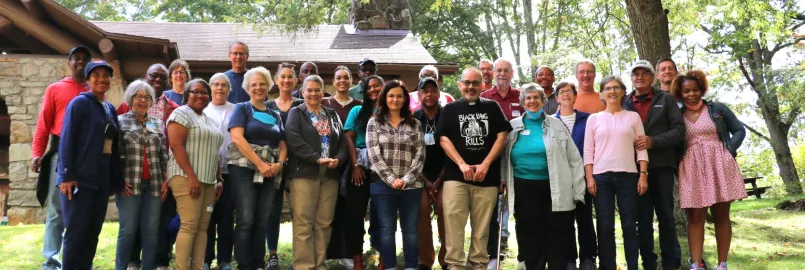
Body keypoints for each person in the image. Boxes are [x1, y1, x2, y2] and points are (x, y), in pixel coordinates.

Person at [502, 83, 585, 270]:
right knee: (529, 231)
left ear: (543, 101)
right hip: (523, 187)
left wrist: (578, 190)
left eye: (536, 98)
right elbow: (503, 159)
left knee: (557, 231)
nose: (532, 101)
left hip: (554, 186)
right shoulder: (512, 128)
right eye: (528, 98)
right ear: (522, 102)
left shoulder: (557, 125)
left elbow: (574, 159)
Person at [437, 68, 511, 270]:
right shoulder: (449, 109)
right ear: (460, 84)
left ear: (482, 85)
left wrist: (485, 165)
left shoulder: (492, 107)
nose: (471, 87)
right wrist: (462, 164)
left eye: (475, 83)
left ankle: (479, 264)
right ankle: (455, 265)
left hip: (486, 178)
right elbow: (443, 138)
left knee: (483, 226)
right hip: (456, 178)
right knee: (454, 224)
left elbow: (502, 136)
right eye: (467, 82)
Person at [670, 71, 746, 270]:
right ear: (680, 92)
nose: (691, 94)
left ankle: (722, 264)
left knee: (722, 216)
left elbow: (739, 130)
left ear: (702, 89)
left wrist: (729, 150)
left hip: (719, 165)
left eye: (695, 89)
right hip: (691, 168)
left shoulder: (717, 109)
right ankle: (696, 264)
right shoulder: (676, 113)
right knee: (695, 218)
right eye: (686, 91)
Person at [58, 60, 125, 270]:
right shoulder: (79, 104)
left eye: (106, 75)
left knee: (92, 232)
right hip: (79, 180)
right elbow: (66, 140)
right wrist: (66, 175)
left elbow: (113, 147)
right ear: (88, 80)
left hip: (101, 180)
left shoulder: (110, 109)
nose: (102, 79)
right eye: (96, 75)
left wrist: (115, 180)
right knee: (76, 232)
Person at [31, 45, 89, 270]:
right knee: (57, 211)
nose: (80, 62)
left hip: (86, 157)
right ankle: (51, 262)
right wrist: (37, 153)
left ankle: (78, 261)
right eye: (76, 58)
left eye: (85, 59)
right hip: (60, 155)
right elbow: (43, 124)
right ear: (69, 62)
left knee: (82, 211)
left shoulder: (93, 90)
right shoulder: (55, 89)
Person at [624, 60, 686, 270]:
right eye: (636, 74)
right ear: (631, 78)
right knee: (642, 220)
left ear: (652, 77)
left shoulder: (666, 99)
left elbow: (679, 130)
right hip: (633, 169)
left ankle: (670, 263)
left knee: (666, 216)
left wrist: (653, 141)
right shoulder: (624, 102)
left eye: (644, 73)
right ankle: (648, 263)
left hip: (661, 167)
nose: (640, 77)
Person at [118, 63, 181, 270]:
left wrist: (165, 179)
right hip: (129, 185)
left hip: (154, 185)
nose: (143, 100)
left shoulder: (157, 123)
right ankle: (123, 266)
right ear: (130, 99)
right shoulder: (120, 121)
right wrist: (118, 180)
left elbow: (164, 153)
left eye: (146, 97)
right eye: (138, 96)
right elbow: (115, 156)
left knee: (151, 230)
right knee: (128, 229)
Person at [584, 76, 649, 270]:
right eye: (608, 88)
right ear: (602, 93)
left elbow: (641, 148)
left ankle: (632, 266)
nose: (612, 91)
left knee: (629, 225)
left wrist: (643, 174)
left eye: (616, 88)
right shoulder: (594, 119)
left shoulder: (633, 117)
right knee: (605, 227)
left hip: (628, 176)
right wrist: (589, 177)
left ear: (623, 92)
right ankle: (607, 266)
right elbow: (588, 151)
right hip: (601, 178)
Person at [285, 75, 348, 269]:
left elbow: (344, 142)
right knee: (304, 223)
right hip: (304, 174)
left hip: (330, 176)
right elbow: (293, 138)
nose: (313, 94)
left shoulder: (331, 114)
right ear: (302, 92)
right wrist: (316, 158)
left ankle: (319, 265)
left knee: (324, 224)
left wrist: (339, 158)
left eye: (317, 90)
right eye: (309, 90)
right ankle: (304, 266)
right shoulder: (296, 113)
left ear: (323, 92)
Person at [228, 67, 287, 270]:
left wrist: (279, 164)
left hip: (271, 171)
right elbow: (237, 137)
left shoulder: (275, 113)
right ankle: (244, 265)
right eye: (254, 84)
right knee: (246, 219)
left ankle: (257, 263)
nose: (258, 87)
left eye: (262, 83)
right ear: (247, 88)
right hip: (244, 169)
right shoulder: (242, 108)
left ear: (269, 85)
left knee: (262, 220)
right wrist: (260, 164)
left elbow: (283, 143)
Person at [367, 80, 426, 270]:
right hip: (383, 186)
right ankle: (390, 267)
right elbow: (374, 155)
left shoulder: (415, 123)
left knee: (410, 230)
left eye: (399, 96)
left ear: (405, 99)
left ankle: (411, 267)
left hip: (412, 186)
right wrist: (392, 180)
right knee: (386, 230)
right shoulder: (374, 122)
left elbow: (420, 154)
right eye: (391, 95)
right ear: (385, 97)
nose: (395, 99)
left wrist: (406, 179)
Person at [165, 79, 225, 270]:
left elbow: (213, 151)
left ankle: (197, 267)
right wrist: (192, 177)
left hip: (208, 180)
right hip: (186, 178)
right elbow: (176, 145)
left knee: (202, 227)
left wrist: (219, 179)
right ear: (187, 94)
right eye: (195, 91)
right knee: (189, 225)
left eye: (204, 92)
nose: (200, 95)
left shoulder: (207, 119)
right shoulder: (181, 113)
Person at [479, 58, 520, 268]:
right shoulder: (484, 97)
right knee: (491, 205)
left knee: (518, 204)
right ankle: (492, 251)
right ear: (493, 73)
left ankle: (520, 251)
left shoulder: (521, 96)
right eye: (499, 70)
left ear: (512, 73)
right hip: (492, 158)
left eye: (506, 70)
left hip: (517, 158)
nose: (502, 74)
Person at [342, 74, 385, 269]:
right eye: (369, 87)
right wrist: (356, 164)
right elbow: (349, 138)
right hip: (360, 166)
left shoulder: (390, 111)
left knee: (383, 213)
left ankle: (383, 257)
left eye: (377, 86)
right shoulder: (358, 110)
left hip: (384, 168)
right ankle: (357, 257)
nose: (373, 90)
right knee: (355, 213)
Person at [554, 81, 597, 270]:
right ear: (556, 98)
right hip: (560, 178)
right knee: (565, 221)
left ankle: (588, 258)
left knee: (585, 219)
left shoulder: (589, 119)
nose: (565, 94)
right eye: (561, 92)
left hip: (584, 175)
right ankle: (569, 259)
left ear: (575, 95)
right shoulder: (550, 122)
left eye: (569, 91)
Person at [265, 63, 304, 270]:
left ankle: (300, 255)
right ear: (276, 80)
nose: (287, 80)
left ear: (296, 80)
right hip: (274, 164)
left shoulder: (303, 104)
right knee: (273, 210)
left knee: (299, 211)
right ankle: (272, 254)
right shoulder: (267, 106)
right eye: (283, 77)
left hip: (298, 165)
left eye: (291, 77)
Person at [414, 77, 449, 270]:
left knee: (445, 210)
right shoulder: (412, 118)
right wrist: (426, 181)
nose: (429, 94)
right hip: (420, 176)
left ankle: (446, 259)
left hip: (446, 175)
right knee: (421, 209)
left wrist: (439, 180)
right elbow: (410, 153)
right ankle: (425, 260)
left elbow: (454, 150)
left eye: (432, 90)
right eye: (424, 91)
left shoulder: (448, 115)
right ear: (419, 94)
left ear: (438, 93)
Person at [203, 73, 236, 270]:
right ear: (210, 87)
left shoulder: (236, 110)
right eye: (215, 84)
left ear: (229, 89)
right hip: (206, 171)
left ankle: (224, 260)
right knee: (207, 217)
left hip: (231, 171)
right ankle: (206, 258)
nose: (220, 88)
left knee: (226, 217)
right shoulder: (203, 109)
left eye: (224, 85)